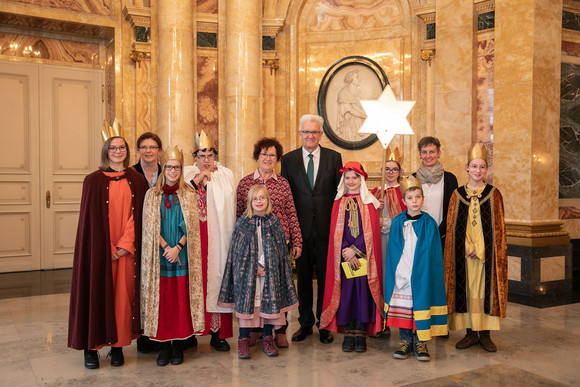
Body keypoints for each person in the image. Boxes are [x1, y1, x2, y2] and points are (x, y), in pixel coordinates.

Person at [68, 134, 148, 369]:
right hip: (99, 252)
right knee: (96, 294)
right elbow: (89, 221)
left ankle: (118, 347)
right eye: (113, 148)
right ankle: (91, 349)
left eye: (122, 147)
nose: (117, 151)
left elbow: (140, 217)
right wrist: (107, 247)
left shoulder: (138, 180)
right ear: (105, 151)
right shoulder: (91, 181)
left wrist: (124, 244)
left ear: (127, 151)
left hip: (126, 252)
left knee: (122, 299)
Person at [141, 146, 205, 366]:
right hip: (161, 255)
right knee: (164, 301)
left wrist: (177, 248)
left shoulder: (188, 194)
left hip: (182, 254)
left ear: (181, 169)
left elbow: (192, 227)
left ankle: (178, 345)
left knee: (179, 299)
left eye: (176, 167)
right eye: (168, 166)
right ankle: (163, 346)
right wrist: (167, 248)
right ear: (163, 168)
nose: (172, 170)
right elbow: (150, 227)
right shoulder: (152, 195)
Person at [281, 114, 342, 344]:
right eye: (306, 132)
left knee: (326, 278)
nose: (310, 136)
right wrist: (290, 233)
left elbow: (339, 193)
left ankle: (324, 324)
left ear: (321, 135)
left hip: (327, 229)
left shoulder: (334, 158)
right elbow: (286, 198)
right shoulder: (289, 160)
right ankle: (305, 323)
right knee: (303, 279)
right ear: (300, 134)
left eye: (314, 132)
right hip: (300, 231)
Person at [218, 185, 299, 359]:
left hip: (269, 273)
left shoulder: (274, 222)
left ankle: (268, 339)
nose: (259, 201)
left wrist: (267, 266)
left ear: (268, 201)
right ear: (250, 202)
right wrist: (254, 268)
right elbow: (237, 252)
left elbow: (279, 251)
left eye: (262, 198)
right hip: (249, 274)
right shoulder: (243, 223)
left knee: (267, 305)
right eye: (255, 199)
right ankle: (243, 340)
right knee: (249, 306)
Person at [236, 137, 302, 348]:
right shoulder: (246, 183)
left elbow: (291, 212)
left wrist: (297, 240)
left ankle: (279, 330)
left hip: (277, 245)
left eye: (272, 154)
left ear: (277, 158)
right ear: (257, 156)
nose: (268, 158)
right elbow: (239, 214)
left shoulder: (282, 183)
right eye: (264, 154)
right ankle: (255, 330)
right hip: (253, 245)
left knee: (277, 288)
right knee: (256, 290)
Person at [444, 143, 507, 352]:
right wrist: (466, 247)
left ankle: (485, 334)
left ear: (486, 169)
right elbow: (453, 228)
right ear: (467, 167)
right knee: (468, 291)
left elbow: (498, 228)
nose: (478, 170)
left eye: (482, 167)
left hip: (485, 256)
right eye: (474, 166)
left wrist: (479, 248)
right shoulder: (457, 194)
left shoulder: (493, 194)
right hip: (463, 255)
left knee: (483, 291)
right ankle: (470, 333)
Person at [320, 162, 384, 353]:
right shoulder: (338, 203)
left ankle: (361, 331)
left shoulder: (370, 203)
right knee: (346, 294)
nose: (351, 181)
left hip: (364, 257)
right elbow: (336, 233)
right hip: (345, 259)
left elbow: (371, 231)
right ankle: (349, 331)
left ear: (361, 179)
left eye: (354, 178)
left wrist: (356, 250)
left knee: (362, 293)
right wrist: (346, 251)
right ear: (343, 180)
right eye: (347, 178)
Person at [384, 176, 448, 362]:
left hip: (423, 275)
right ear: (404, 201)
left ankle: (421, 342)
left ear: (423, 199)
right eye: (410, 198)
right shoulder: (397, 222)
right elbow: (394, 251)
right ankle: (405, 341)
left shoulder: (430, 224)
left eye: (417, 197)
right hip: (402, 274)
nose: (414, 201)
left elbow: (433, 255)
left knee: (421, 306)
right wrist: (400, 273)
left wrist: (423, 275)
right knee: (404, 308)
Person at [183, 130, 235, 351]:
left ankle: (218, 334)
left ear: (215, 156)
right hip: (193, 237)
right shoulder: (186, 175)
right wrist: (198, 179)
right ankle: (190, 332)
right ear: (195, 156)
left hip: (217, 236)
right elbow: (182, 197)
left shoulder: (225, 174)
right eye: (201, 155)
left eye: (210, 155)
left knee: (218, 278)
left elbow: (229, 206)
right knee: (192, 281)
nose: (206, 160)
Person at [132, 132, 162, 354]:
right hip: (138, 235)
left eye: (152, 147)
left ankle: (164, 332)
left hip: (165, 237)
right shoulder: (130, 173)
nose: (148, 151)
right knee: (143, 286)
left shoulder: (169, 170)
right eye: (144, 147)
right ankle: (144, 334)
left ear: (159, 150)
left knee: (164, 285)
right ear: (138, 150)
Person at [414, 136, 458, 250]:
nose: (428, 156)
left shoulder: (450, 179)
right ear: (420, 155)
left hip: (441, 236)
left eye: (432, 152)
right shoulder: (412, 179)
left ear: (439, 153)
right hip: (416, 235)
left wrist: (438, 232)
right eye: (424, 152)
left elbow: (452, 210)